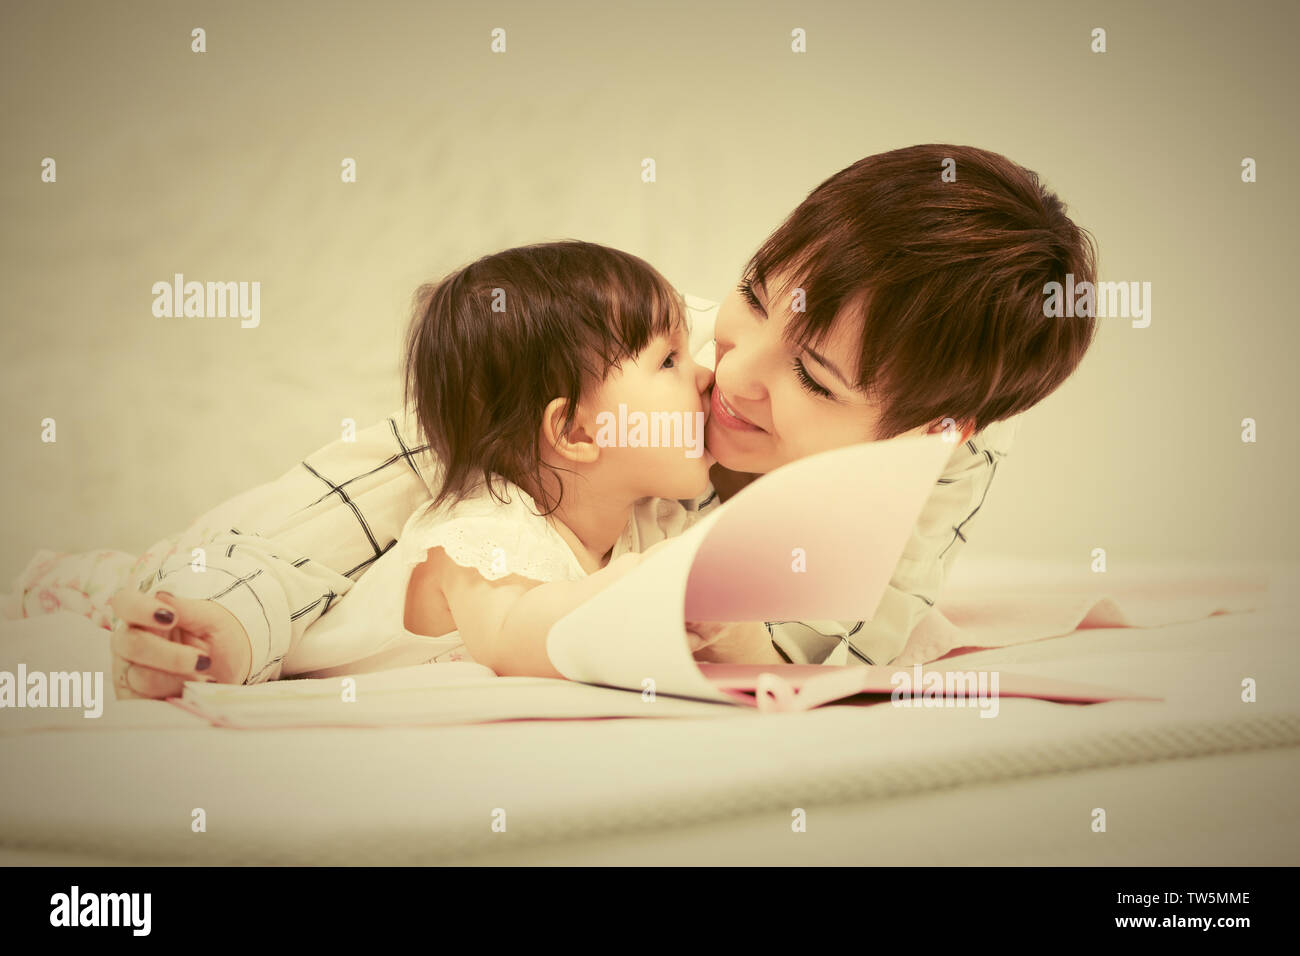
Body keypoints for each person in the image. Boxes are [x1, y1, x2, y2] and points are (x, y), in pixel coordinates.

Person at [28, 143, 1097, 697]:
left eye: (813, 381)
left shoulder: (929, 476)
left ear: (927, 436)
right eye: (755, 295)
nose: (733, 370)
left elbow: (827, 639)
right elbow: (383, 480)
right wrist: (227, 603)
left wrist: (725, 625)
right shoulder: (639, 360)